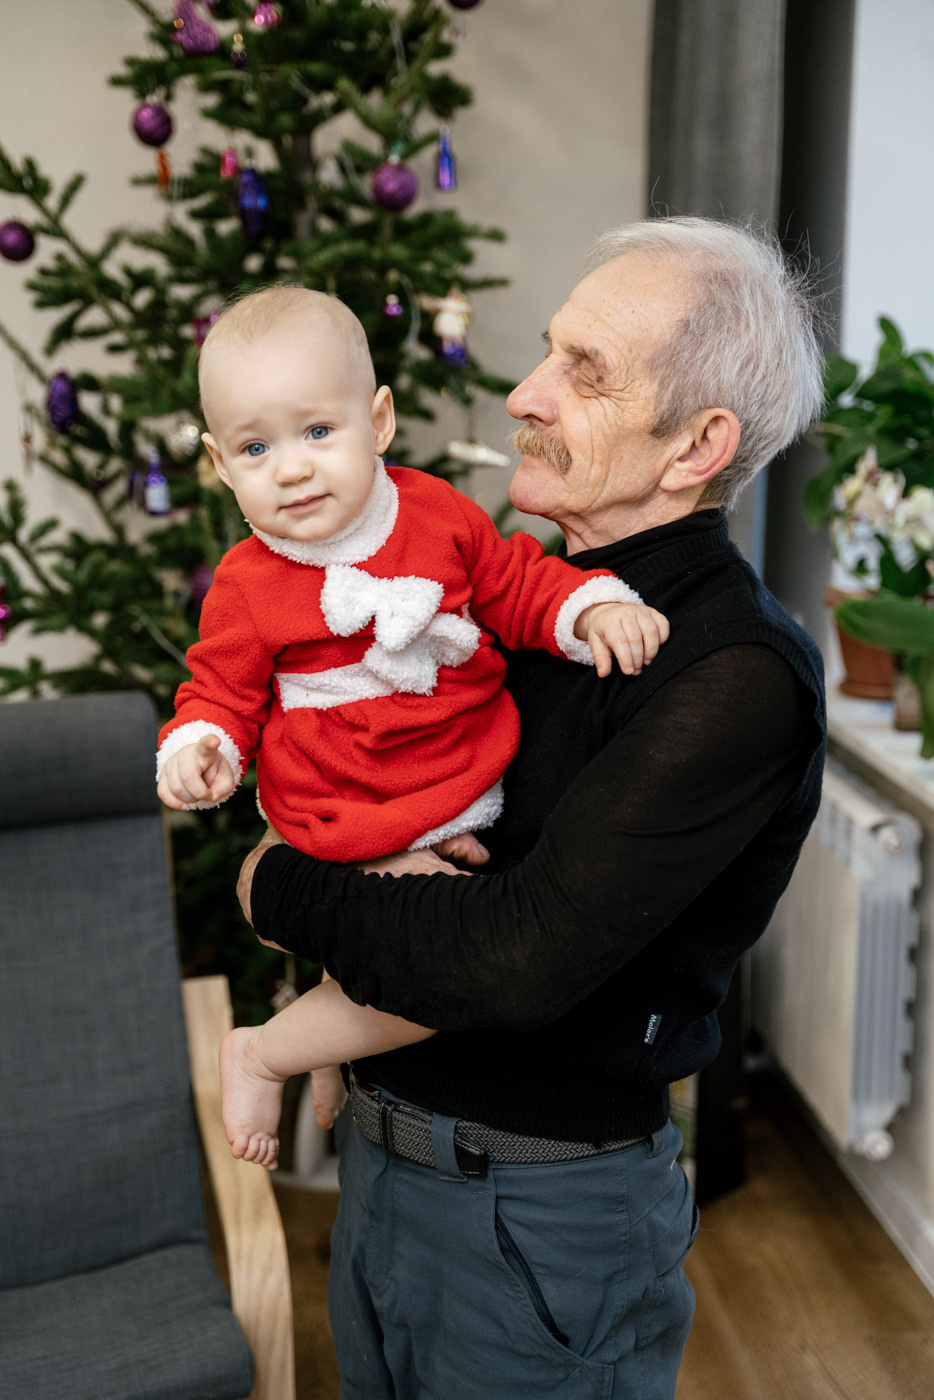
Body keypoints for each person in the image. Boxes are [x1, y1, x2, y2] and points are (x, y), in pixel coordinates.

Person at [236, 217, 828, 1400]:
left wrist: (271, 883)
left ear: (695, 445)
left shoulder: (734, 674)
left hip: (536, 1218)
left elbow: (510, 961)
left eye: (584, 370)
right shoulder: (515, 589)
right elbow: (354, 787)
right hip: (384, 1167)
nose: (525, 391)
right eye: (551, 350)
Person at [156, 286, 670, 1168]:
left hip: (449, 778)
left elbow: (517, 583)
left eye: (319, 431)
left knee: (401, 962)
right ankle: (266, 1052)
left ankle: (318, 1044)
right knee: (429, 977)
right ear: (219, 463)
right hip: (336, 805)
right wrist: (202, 748)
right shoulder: (246, 582)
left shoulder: (436, 515)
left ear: (379, 420)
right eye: (255, 448)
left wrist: (589, 610)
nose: (291, 469)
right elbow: (220, 692)